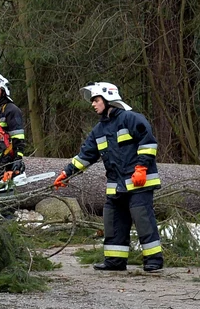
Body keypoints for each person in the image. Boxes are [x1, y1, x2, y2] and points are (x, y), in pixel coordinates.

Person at [54, 82, 164, 272]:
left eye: (96, 100)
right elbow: (85, 155)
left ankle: (154, 261)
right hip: (116, 186)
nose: (93, 104)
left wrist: (141, 168)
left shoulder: (131, 118)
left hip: (139, 183)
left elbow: (148, 143)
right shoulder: (99, 130)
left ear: (108, 99)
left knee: (143, 220)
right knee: (113, 220)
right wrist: (67, 173)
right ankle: (115, 261)